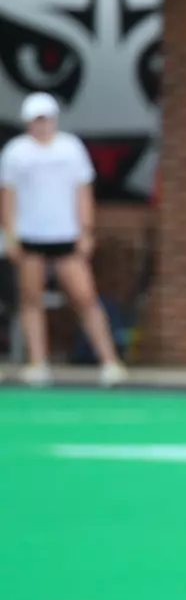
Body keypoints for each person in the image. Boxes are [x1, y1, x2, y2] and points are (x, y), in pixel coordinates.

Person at [0, 92, 125, 387]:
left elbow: (82, 191)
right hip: (30, 236)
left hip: (66, 235)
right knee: (31, 299)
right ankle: (38, 363)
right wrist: (11, 236)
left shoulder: (71, 149)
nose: (40, 125)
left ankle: (110, 362)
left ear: (53, 119)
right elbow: (8, 196)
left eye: (44, 119)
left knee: (85, 298)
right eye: (35, 120)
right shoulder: (16, 152)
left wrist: (86, 230)